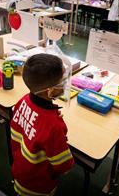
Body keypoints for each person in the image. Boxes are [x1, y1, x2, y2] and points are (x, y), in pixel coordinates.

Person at [10, 53, 75, 196]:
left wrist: (48, 119)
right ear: (50, 91)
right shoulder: (53, 126)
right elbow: (64, 166)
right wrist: (56, 131)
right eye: (62, 81)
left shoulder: (23, 100)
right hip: (38, 187)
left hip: (21, 174)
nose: (65, 84)